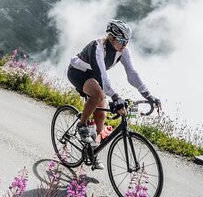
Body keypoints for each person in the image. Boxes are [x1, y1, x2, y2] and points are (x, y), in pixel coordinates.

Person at [66, 19, 161, 165]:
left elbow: (132, 74)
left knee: (101, 115)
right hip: (78, 72)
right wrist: (116, 97)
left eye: (127, 42)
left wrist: (148, 95)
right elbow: (102, 77)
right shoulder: (98, 47)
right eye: (122, 41)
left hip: (95, 77)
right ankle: (82, 124)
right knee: (98, 95)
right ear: (111, 38)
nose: (124, 45)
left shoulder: (123, 51)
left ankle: (92, 151)